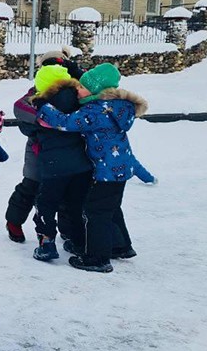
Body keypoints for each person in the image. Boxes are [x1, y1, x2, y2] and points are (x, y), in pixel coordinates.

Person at [37, 63, 151, 273]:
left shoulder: (96, 111)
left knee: (95, 211)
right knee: (111, 209)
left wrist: (43, 107)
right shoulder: (118, 106)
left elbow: (66, 122)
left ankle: (97, 259)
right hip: (120, 167)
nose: (77, 89)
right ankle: (121, 246)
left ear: (96, 90)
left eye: (82, 87)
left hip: (106, 171)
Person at [13, 64, 93, 263]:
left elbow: (27, 127)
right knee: (75, 205)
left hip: (53, 165)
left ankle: (47, 243)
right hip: (81, 165)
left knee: (46, 205)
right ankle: (79, 242)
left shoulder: (41, 105)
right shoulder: (80, 102)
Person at [4, 49, 85, 242]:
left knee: (67, 191)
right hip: (38, 148)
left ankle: (66, 229)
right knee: (31, 185)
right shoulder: (39, 89)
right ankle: (14, 222)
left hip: (68, 149)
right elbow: (20, 107)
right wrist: (40, 120)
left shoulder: (76, 88)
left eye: (59, 64)